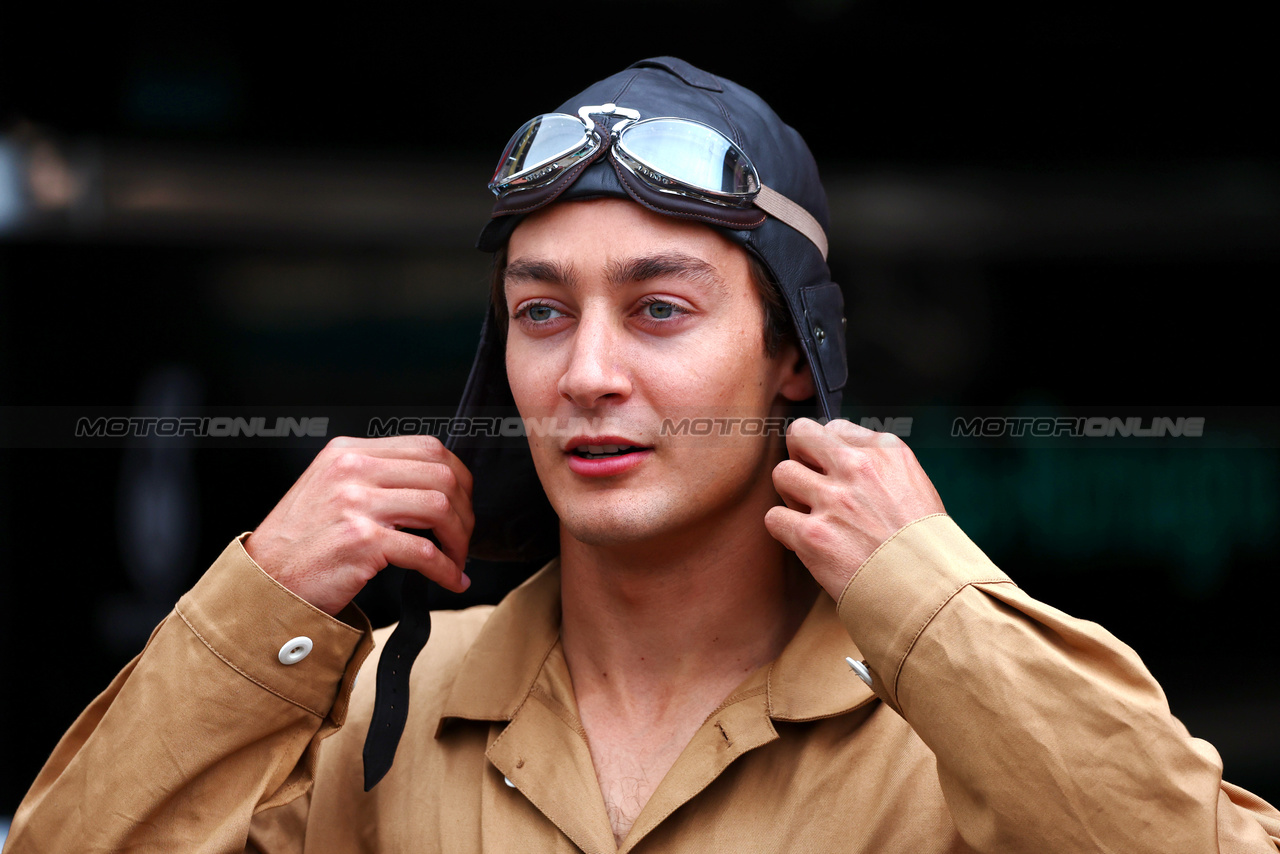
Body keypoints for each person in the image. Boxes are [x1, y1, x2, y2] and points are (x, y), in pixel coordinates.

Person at [7, 57, 1280, 854]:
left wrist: (938, 606)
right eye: (541, 310)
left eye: (659, 308)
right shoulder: (381, 709)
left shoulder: (953, 713)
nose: (588, 372)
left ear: (792, 356)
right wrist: (259, 603)